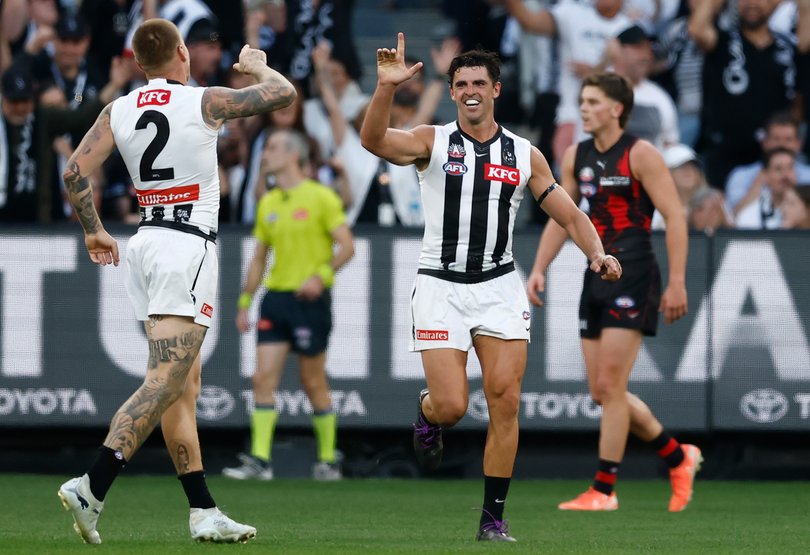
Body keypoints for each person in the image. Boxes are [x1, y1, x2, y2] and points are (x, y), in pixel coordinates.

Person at [360, 34, 622, 542]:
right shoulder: (432, 141)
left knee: (505, 399)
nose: (470, 91)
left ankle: (492, 520)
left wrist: (597, 253)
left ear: (496, 89)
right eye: (461, 84)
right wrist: (386, 87)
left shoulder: (524, 154)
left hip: (499, 286)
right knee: (452, 406)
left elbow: (570, 214)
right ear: (452, 92)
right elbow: (374, 141)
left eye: (479, 83)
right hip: (440, 286)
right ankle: (428, 412)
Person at [56, 18, 296, 544]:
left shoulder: (118, 109)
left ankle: (202, 510)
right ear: (183, 53)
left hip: (146, 243)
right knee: (165, 381)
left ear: (140, 63)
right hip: (186, 247)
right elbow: (283, 93)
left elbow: (73, 171)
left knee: (182, 387)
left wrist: (94, 230)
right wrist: (256, 66)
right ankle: (92, 486)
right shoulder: (203, 101)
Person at [526, 72, 701, 513]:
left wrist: (677, 281)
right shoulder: (576, 155)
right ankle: (678, 456)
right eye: (582, 101)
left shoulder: (641, 154)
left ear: (616, 109)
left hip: (635, 273)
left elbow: (674, 217)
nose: (583, 109)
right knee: (603, 392)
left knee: (611, 385)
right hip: (596, 272)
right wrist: (540, 267)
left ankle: (604, 490)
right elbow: (563, 216)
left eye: (592, 102)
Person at [222, 128, 354, 482]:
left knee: (313, 381)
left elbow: (347, 246)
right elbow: (258, 258)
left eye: (273, 148)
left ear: (294, 155)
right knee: (262, 377)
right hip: (276, 299)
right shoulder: (268, 202)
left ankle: (328, 460)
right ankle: (260, 461)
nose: (265, 154)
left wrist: (320, 277)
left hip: (310, 300)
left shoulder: (320, 197)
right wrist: (245, 302)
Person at [735, 147, 797, 230]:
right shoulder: (750, 215)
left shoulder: (807, 210)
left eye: (790, 168)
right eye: (778, 169)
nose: (785, 175)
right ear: (765, 175)